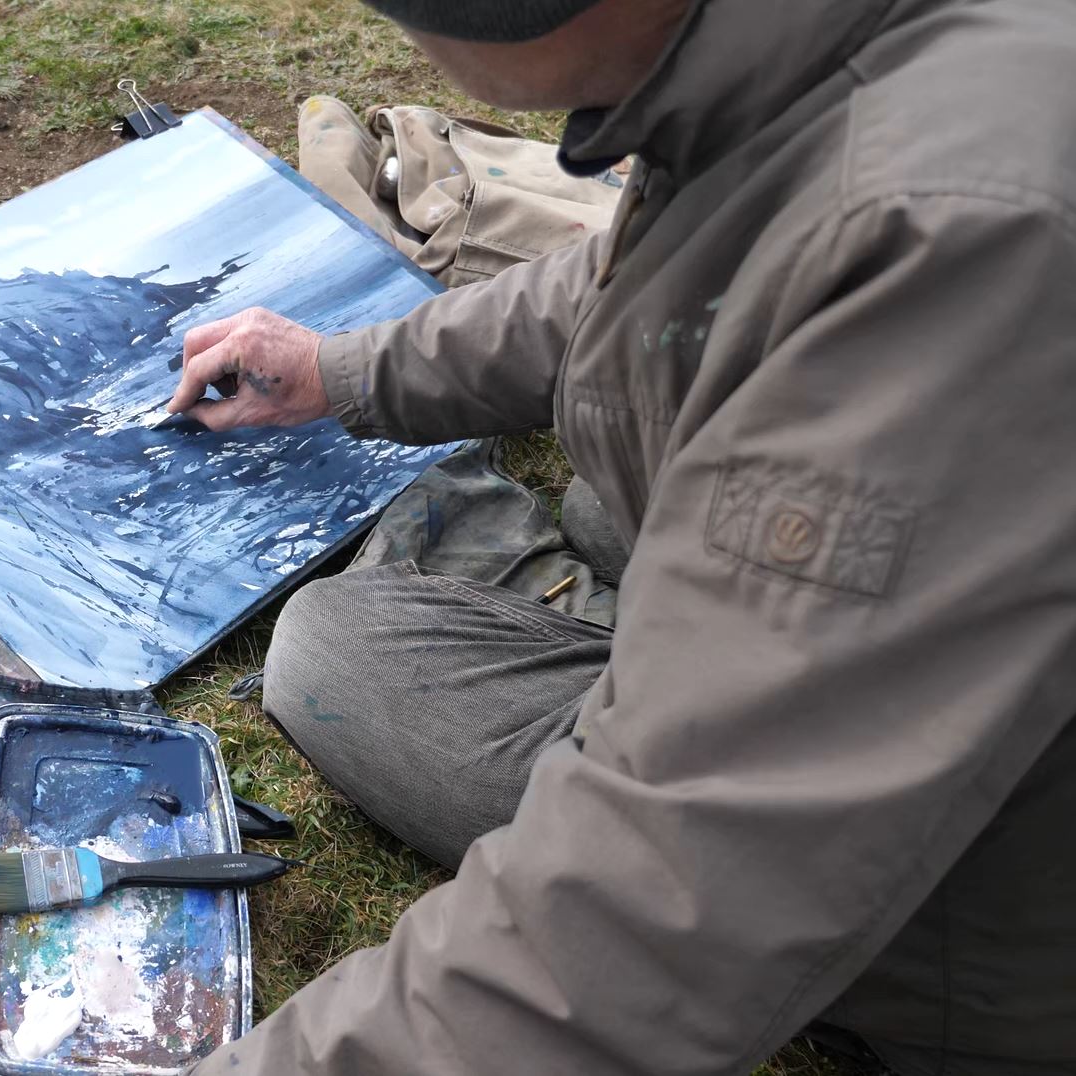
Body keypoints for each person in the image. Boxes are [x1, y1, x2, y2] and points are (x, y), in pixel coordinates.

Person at [173, 0, 1076, 1073]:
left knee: (336, 649)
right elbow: (656, 280)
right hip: (972, 695)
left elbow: (655, 911)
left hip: (973, 907)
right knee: (609, 493)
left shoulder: (954, 248)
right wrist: (347, 371)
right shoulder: (831, 53)